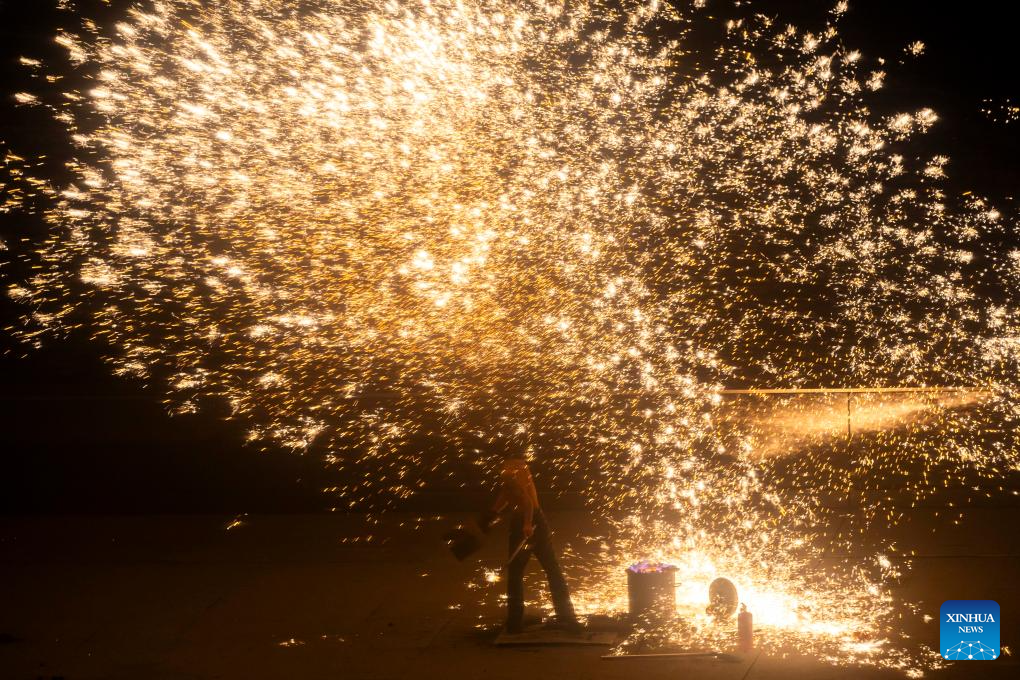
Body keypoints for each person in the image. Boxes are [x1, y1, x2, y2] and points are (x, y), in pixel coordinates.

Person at [481, 441, 580, 634]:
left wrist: (527, 524)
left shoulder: (509, 469)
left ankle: (515, 621)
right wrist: (494, 511)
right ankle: (566, 616)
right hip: (531, 520)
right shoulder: (520, 466)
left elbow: (525, 500)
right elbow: (507, 493)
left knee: (518, 572)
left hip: (529, 522)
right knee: (551, 569)